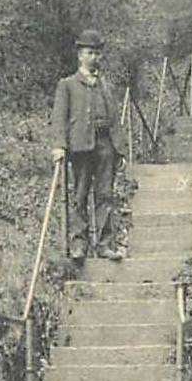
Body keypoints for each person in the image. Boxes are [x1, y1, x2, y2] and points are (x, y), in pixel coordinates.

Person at [50, 28, 125, 263]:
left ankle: (105, 244)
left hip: (105, 145)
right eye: (90, 53)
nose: (94, 58)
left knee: (105, 195)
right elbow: (59, 118)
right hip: (81, 146)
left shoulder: (105, 85)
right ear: (80, 55)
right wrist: (59, 146)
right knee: (80, 195)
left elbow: (115, 118)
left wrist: (119, 149)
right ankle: (78, 245)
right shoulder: (68, 85)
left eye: (98, 54)